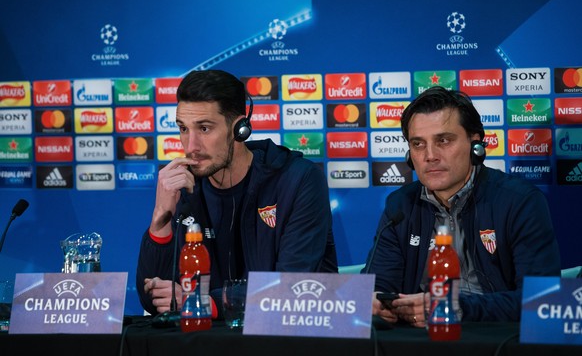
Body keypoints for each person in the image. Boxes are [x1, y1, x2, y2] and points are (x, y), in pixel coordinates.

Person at [136, 69, 338, 317]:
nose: (191, 147)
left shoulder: (298, 180)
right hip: (202, 343)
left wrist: (205, 303)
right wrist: (160, 219)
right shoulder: (184, 187)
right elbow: (153, 299)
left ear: (240, 128)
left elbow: (293, 286)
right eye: (183, 129)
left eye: (205, 129)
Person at [364, 86, 561, 327]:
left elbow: (540, 300)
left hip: (495, 339)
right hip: (421, 339)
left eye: (443, 140)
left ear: (475, 146)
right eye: (418, 144)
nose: (430, 155)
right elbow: (380, 285)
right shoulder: (400, 206)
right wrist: (374, 301)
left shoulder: (519, 201)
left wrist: (454, 306)